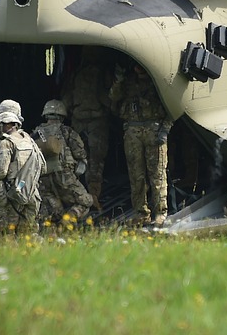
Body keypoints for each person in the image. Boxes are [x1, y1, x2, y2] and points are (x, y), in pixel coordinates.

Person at [108, 64, 174, 226]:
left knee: (157, 174)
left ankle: (160, 212)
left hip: (154, 128)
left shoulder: (158, 81)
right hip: (133, 129)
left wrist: (165, 129)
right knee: (136, 175)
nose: (138, 70)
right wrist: (119, 81)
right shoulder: (128, 83)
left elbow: (173, 106)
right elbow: (113, 98)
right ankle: (141, 212)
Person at [62, 48, 114, 206]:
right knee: (93, 160)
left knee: (84, 159)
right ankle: (91, 195)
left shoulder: (78, 73)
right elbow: (109, 99)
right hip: (92, 120)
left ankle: (86, 195)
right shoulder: (98, 73)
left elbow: (67, 97)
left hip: (83, 119)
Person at [0, 104, 44, 236]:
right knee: (27, 233)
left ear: (3, 125)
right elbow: (42, 166)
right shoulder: (28, 139)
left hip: (12, 194)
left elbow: (1, 171)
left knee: (4, 233)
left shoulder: (6, 143)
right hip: (31, 193)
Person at [33, 99, 93, 226]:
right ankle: (67, 222)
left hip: (43, 179)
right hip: (65, 175)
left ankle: (52, 227)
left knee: (53, 208)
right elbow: (80, 155)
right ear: (62, 115)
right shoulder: (67, 131)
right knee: (85, 201)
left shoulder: (35, 133)